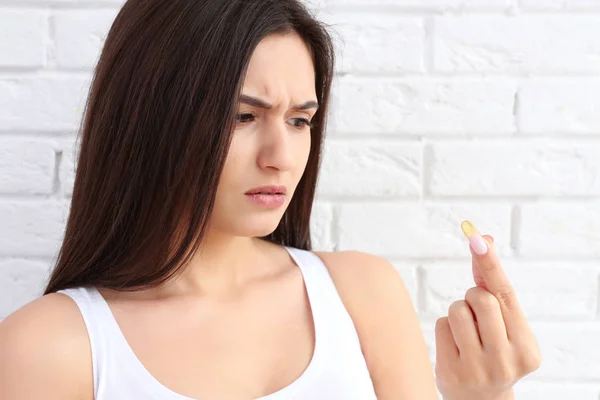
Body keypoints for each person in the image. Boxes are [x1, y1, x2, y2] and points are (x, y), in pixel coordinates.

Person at [0, 0, 542, 399]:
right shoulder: (49, 347)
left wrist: (483, 396)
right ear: (154, 117)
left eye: (300, 119)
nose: (281, 156)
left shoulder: (361, 295)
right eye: (243, 116)